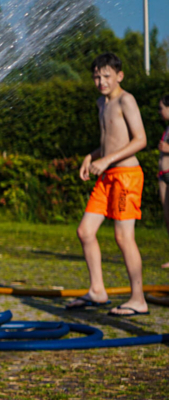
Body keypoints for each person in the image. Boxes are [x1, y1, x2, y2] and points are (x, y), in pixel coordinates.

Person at [67, 53, 149, 316]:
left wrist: (106, 160)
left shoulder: (126, 100)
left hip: (126, 176)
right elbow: (108, 142)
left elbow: (140, 140)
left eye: (106, 76)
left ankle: (138, 299)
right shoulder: (101, 103)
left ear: (119, 76)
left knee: (123, 237)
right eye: (96, 77)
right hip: (106, 177)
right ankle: (97, 291)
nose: (101, 82)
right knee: (85, 231)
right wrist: (91, 157)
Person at [157, 95, 169, 268]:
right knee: (168, 218)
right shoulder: (167, 128)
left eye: (161, 108)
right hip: (163, 175)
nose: (159, 112)